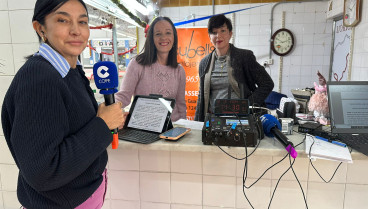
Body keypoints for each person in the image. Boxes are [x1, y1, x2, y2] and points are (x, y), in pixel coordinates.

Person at [1, 0, 127, 208]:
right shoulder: (39, 79)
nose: (76, 31)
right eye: (63, 20)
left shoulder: (70, 70)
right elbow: (43, 172)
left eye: (83, 22)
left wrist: (104, 117)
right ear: (40, 28)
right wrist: (101, 126)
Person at [194, 14, 274, 121]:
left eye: (222, 31)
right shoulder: (204, 63)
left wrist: (247, 105)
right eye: (214, 32)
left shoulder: (244, 57)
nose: (218, 36)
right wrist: (197, 123)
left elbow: (267, 83)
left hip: (240, 120)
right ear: (209, 36)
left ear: (230, 34)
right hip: (214, 119)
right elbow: (202, 95)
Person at [115, 17, 187, 122]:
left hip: (173, 129)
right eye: (158, 34)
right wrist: (109, 110)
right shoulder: (137, 64)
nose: (163, 38)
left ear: (174, 37)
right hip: (143, 127)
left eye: (168, 33)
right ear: (151, 38)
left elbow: (181, 105)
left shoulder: (179, 70)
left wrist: (183, 127)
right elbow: (123, 97)